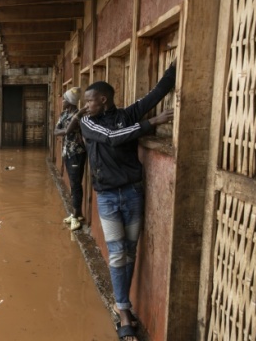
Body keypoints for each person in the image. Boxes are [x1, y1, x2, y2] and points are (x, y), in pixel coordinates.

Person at [73, 61, 177, 341]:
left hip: (132, 193)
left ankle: (123, 303)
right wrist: (151, 123)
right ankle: (123, 312)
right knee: (118, 253)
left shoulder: (127, 114)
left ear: (103, 100)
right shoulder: (87, 122)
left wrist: (175, 67)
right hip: (107, 197)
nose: (85, 106)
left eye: (90, 101)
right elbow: (112, 139)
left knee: (130, 251)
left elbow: (156, 93)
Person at [54, 87, 86, 231]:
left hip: (77, 153)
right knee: (74, 184)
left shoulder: (79, 116)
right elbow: (56, 131)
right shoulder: (64, 114)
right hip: (67, 152)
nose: (62, 101)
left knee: (75, 184)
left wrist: (64, 131)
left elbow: (65, 131)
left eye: (65, 99)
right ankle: (75, 213)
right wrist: (64, 131)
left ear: (71, 102)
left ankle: (76, 216)